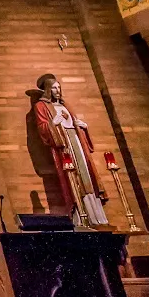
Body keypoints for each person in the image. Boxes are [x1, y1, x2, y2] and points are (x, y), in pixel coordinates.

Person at [33, 73, 109, 227]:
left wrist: (83, 127)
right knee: (73, 178)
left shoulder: (65, 104)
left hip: (77, 142)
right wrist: (53, 124)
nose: (57, 90)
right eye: (54, 88)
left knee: (86, 175)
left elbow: (73, 122)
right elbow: (42, 129)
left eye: (59, 87)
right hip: (64, 146)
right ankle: (82, 216)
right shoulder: (41, 106)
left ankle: (97, 215)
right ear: (48, 90)